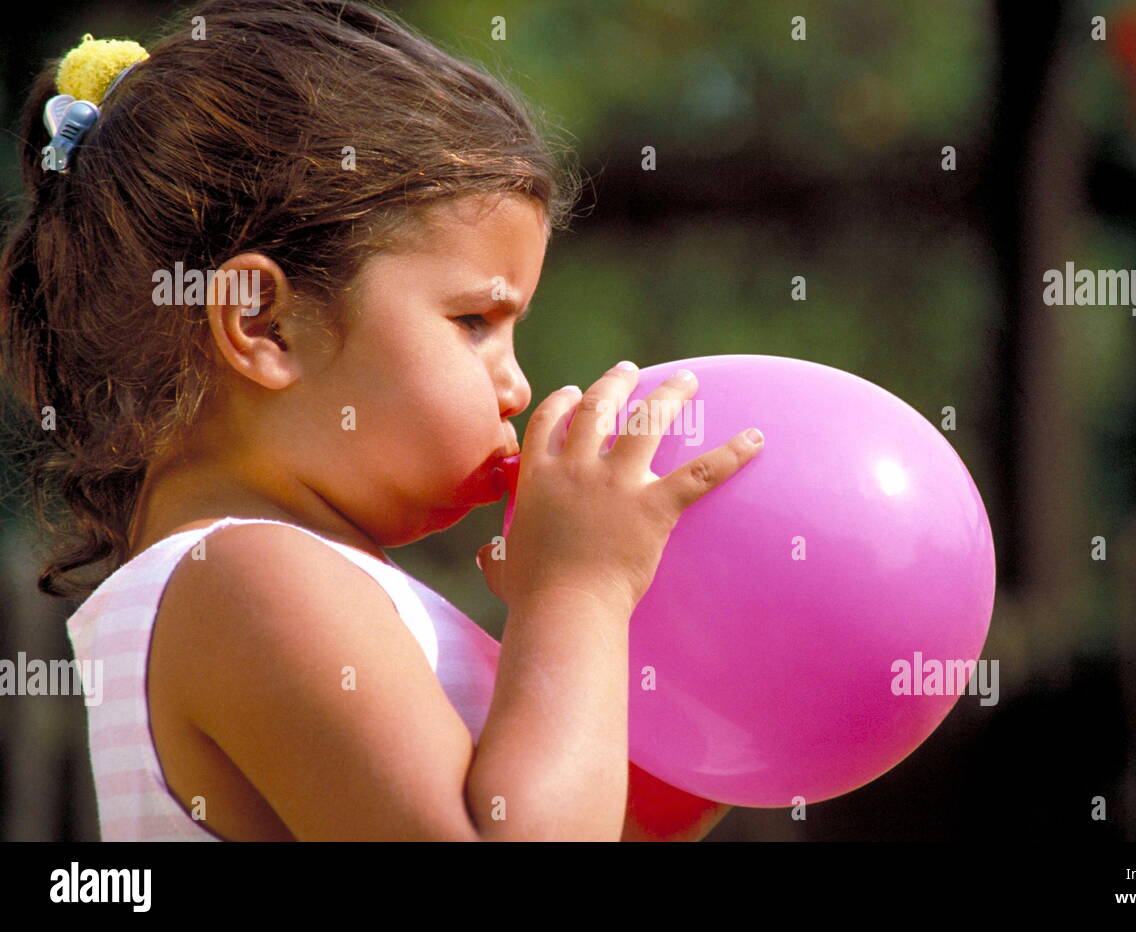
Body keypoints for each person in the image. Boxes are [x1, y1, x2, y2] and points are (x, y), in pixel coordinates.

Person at [0, 0, 763, 841]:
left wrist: (659, 641)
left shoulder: (285, 579)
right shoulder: (246, 576)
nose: (517, 388)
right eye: (474, 323)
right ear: (265, 325)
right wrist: (576, 595)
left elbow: (616, 823)